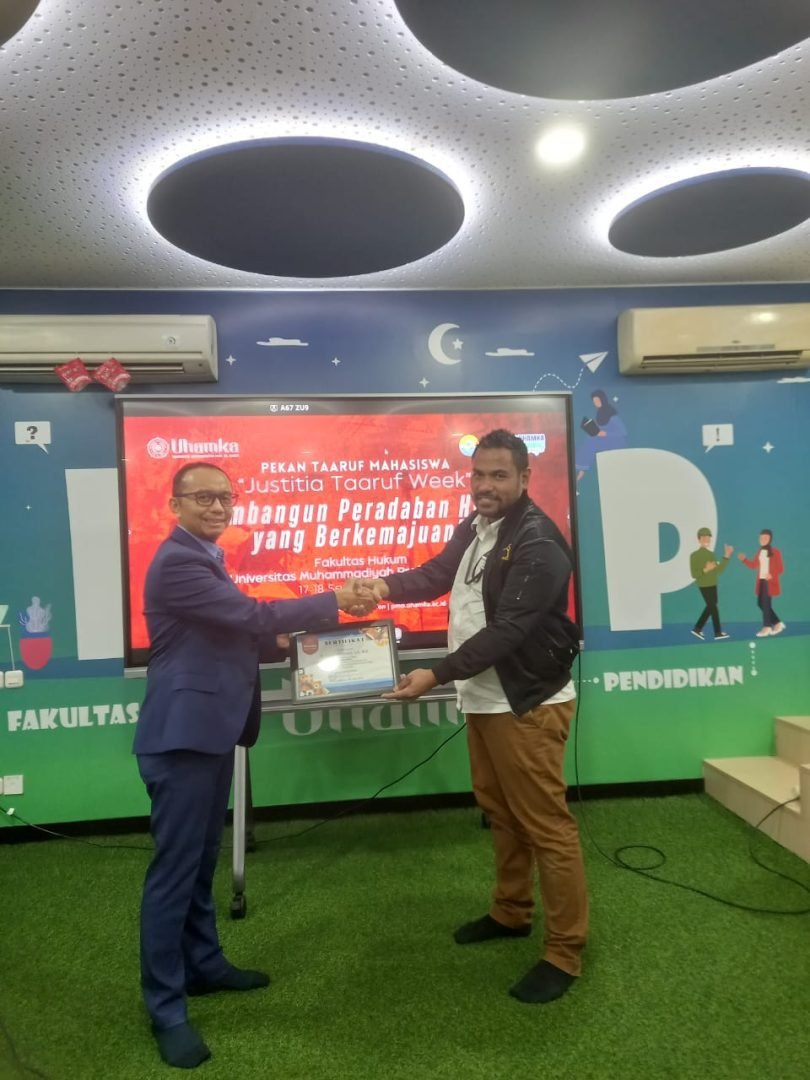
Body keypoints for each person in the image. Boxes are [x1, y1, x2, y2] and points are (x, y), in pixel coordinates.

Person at [134, 461, 375, 1069]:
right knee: (174, 873)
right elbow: (250, 616)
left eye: (226, 497)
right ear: (174, 505)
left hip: (210, 732)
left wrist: (285, 640)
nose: (218, 507)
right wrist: (334, 599)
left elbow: (230, 629)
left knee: (201, 862)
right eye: (203, 497)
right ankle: (166, 1008)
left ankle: (204, 965)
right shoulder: (179, 561)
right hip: (183, 737)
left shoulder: (207, 558)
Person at [370, 429, 585, 1005]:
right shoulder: (476, 525)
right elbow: (436, 574)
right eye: (478, 474)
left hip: (525, 703)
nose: (484, 485)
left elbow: (508, 631)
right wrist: (381, 586)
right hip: (485, 697)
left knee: (547, 827)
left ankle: (564, 952)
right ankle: (511, 912)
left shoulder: (539, 542)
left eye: (498, 475)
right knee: (501, 812)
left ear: (524, 478)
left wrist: (435, 675)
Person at [737, 529, 785, 637]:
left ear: (770, 539)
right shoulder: (760, 551)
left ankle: (767, 627)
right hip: (761, 581)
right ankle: (777, 623)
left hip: (769, 581)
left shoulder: (775, 551)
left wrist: (771, 575)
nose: (762, 539)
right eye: (761, 537)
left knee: (766, 604)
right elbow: (753, 565)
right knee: (760, 604)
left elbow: (780, 568)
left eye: (765, 538)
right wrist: (744, 560)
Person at [689, 527, 733, 641]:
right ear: (699, 539)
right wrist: (705, 569)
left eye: (708, 537)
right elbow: (694, 574)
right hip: (703, 585)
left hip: (713, 583)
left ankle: (698, 628)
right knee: (713, 607)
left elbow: (718, 571)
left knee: (712, 606)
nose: (707, 540)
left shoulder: (711, 554)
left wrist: (726, 556)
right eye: (704, 537)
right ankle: (717, 632)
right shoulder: (694, 555)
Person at [575, 389, 627, 482]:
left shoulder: (612, 414)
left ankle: (581, 469)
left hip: (615, 442)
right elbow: (601, 428)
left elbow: (622, 432)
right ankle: (580, 468)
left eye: (598, 401)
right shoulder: (600, 413)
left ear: (603, 399)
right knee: (589, 439)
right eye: (594, 401)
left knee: (591, 441)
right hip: (604, 440)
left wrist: (605, 434)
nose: (596, 403)